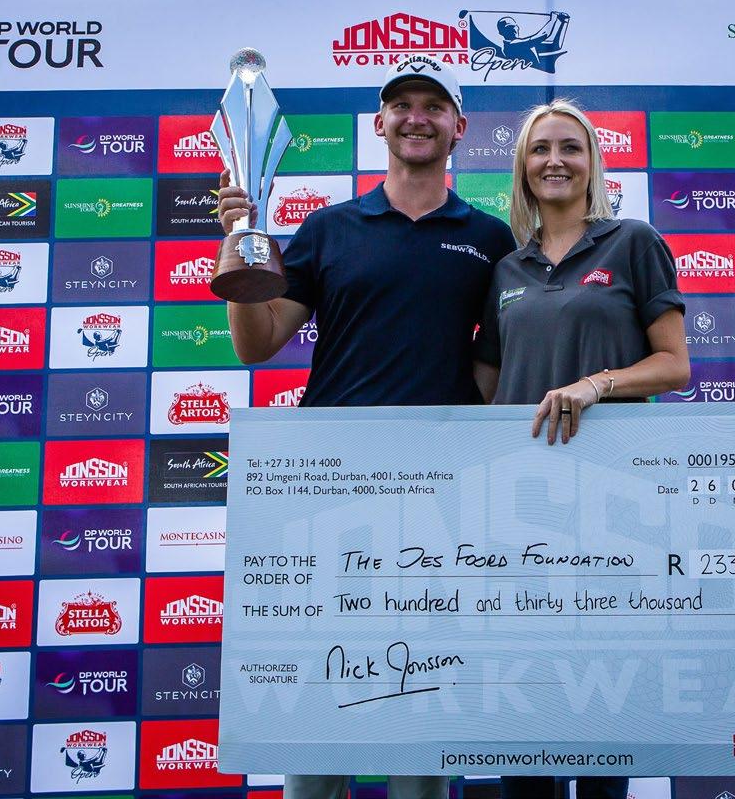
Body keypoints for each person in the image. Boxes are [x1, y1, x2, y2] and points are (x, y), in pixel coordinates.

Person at [216, 56, 516, 799]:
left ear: (459, 127)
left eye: (433, 106)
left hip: (441, 499)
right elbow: (257, 344)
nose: (417, 117)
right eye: (401, 104)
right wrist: (238, 245)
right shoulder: (329, 228)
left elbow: (499, 364)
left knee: (423, 711)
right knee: (323, 710)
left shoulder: (490, 238)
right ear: (379, 122)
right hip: (331, 494)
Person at [472, 100, 689, 797]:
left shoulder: (633, 242)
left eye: (571, 147)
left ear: (593, 162)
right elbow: (488, 383)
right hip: (519, 510)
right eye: (540, 149)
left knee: (603, 703)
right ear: (522, 167)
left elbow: (674, 365)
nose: (555, 160)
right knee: (525, 708)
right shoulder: (506, 269)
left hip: (610, 503)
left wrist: (597, 384)